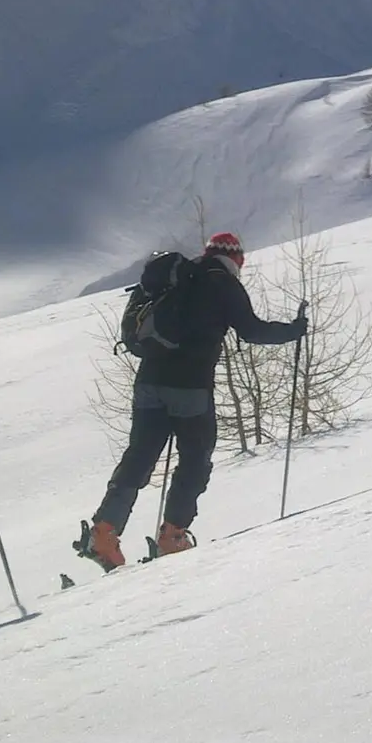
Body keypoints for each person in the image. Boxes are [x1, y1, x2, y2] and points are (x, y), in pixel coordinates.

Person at [82, 233, 305, 570]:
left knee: (140, 455)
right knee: (194, 459)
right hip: (190, 386)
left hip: (148, 381)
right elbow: (252, 331)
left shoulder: (176, 280)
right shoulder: (223, 284)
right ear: (236, 259)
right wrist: (294, 330)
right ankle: (173, 535)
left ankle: (104, 531)